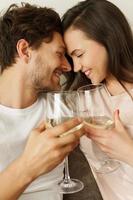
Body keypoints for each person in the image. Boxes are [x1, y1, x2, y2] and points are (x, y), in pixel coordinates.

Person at [0, 3, 85, 200]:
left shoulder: (61, 108)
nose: (67, 66)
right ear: (25, 50)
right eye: (59, 53)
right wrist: (29, 166)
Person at [62, 0, 133, 199]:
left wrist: (128, 152)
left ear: (108, 37)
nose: (75, 67)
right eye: (71, 58)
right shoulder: (83, 97)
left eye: (79, 54)